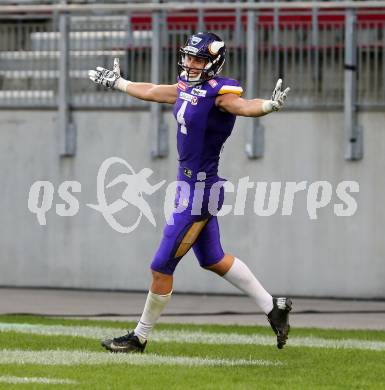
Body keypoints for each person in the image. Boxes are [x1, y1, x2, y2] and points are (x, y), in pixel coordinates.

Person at [89, 32, 292, 352]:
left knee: (160, 266)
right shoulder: (187, 87)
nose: (191, 64)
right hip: (188, 186)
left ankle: (139, 338)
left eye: (199, 59)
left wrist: (267, 105)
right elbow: (154, 91)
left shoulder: (219, 94)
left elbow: (244, 106)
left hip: (200, 191)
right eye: (189, 57)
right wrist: (119, 82)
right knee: (213, 258)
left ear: (214, 63)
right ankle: (273, 306)